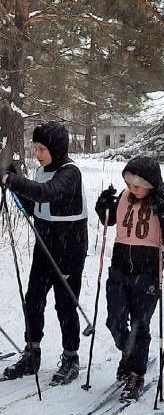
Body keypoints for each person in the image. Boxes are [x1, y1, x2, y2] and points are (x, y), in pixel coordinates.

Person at [1, 121, 88, 385]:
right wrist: (13, 183)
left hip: (69, 248)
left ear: (57, 149)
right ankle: (32, 351)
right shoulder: (41, 171)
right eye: (35, 147)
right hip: (45, 244)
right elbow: (35, 206)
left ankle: (71, 356)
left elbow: (46, 194)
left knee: (64, 303)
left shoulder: (70, 173)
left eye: (42, 149)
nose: (37, 154)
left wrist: (11, 179)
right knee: (34, 298)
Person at [95, 156, 164, 402]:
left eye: (137, 184)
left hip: (147, 273)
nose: (132, 188)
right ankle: (128, 350)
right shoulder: (124, 197)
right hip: (119, 269)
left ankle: (136, 371)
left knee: (139, 324)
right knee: (114, 320)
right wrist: (102, 205)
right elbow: (108, 219)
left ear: (152, 183)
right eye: (128, 183)